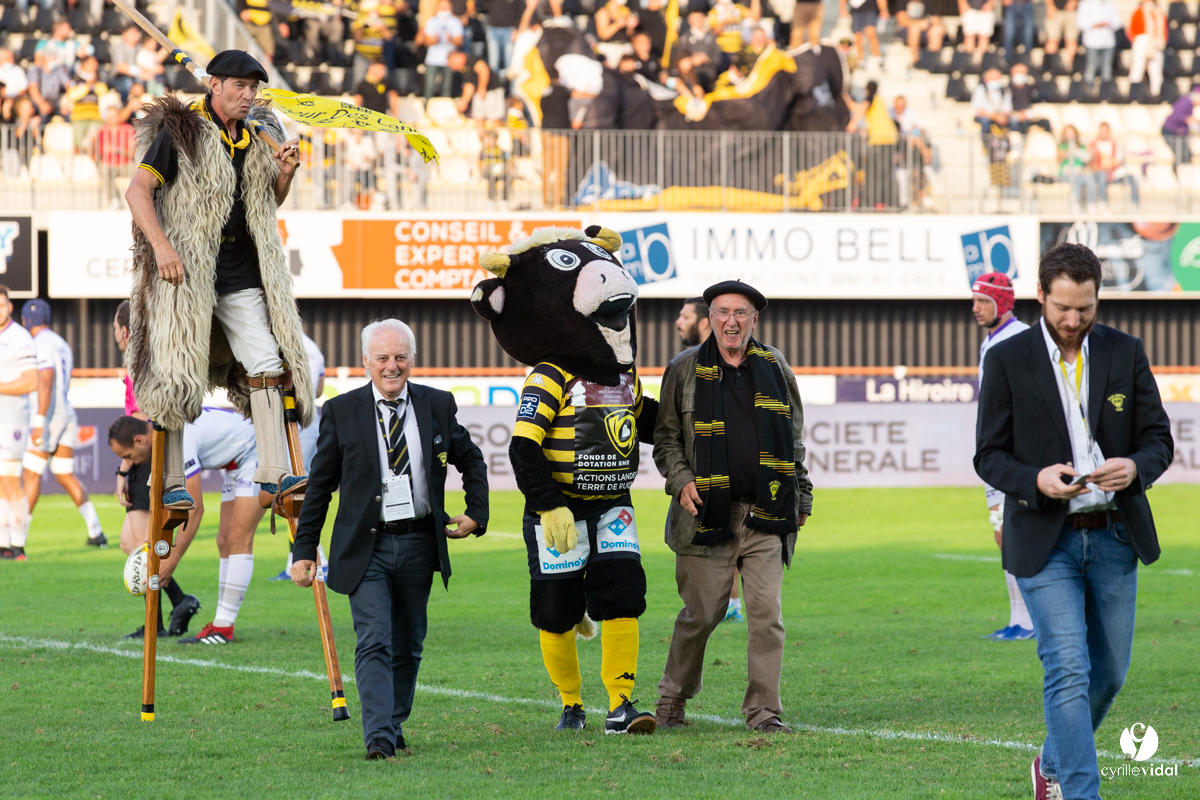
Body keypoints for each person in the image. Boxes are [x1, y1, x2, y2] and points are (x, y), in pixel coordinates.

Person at [975, 243, 1174, 800]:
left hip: (1114, 535)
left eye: (1084, 309)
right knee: (1068, 668)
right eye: (1062, 307)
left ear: (1097, 298)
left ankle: (1051, 762)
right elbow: (988, 455)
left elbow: (1159, 440)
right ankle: (1078, 791)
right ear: (1041, 296)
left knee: (1109, 674)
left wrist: (1133, 466)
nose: (1072, 320)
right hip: (1046, 540)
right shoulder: (1008, 359)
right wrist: (1034, 478)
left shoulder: (1125, 351)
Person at [292, 318, 489, 760]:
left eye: (400, 357)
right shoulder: (341, 412)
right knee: (374, 638)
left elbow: (472, 460)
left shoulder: (438, 404)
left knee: (409, 641)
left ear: (411, 360)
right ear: (366, 361)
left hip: (421, 542)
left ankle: (394, 721)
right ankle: (378, 734)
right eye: (382, 358)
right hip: (367, 546)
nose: (392, 366)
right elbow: (320, 486)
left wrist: (477, 512)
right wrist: (304, 548)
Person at [124, 50, 312, 513]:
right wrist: (163, 247)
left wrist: (283, 176)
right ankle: (170, 482)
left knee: (265, 361)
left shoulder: (255, 135)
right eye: (239, 87)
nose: (248, 96)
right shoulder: (181, 131)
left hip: (241, 266)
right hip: (185, 269)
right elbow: (137, 190)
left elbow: (267, 203)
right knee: (175, 373)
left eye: (253, 89)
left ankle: (274, 470)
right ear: (215, 86)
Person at [654, 280, 813, 733]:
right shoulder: (683, 369)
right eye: (722, 312)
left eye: (741, 312)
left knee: (766, 618)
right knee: (701, 615)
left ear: (754, 320)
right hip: (705, 514)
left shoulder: (776, 366)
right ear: (710, 319)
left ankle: (764, 712)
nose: (731, 321)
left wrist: (801, 492)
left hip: (767, 513)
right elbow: (665, 439)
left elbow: (793, 439)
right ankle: (671, 701)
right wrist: (681, 480)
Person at [970, 274, 1032, 642]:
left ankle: (1029, 621)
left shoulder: (1020, 339)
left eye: (982, 301)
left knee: (1012, 534)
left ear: (1003, 302)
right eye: (974, 300)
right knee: (1002, 534)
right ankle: (1019, 619)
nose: (975, 308)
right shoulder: (992, 341)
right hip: (995, 455)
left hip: (1013, 458)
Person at [170, 408, 265, 646]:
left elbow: (194, 509)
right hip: (239, 460)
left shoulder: (179, 439)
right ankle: (221, 623)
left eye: (128, 456)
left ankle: (223, 627)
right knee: (224, 540)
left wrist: (169, 564)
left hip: (259, 450)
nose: (127, 463)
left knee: (239, 538)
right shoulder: (170, 431)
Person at [18, 300, 106, 549]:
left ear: (26, 320)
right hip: (66, 410)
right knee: (64, 473)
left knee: (31, 475)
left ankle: (17, 539)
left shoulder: (38, 344)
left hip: (46, 414)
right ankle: (95, 530)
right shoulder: (61, 343)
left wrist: (38, 421)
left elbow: (45, 379)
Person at [107, 416, 202, 639]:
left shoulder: (144, 387)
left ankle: (155, 625)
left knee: (144, 547)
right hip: (138, 456)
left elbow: (142, 420)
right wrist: (122, 470)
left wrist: (127, 463)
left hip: (148, 457)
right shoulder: (133, 446)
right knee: (129, 544)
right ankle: (179, 600)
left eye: (125, 457)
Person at [271, 332, 326, 582]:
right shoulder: (312, 346)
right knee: (299, 495)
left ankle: (316, 559)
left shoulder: (278, 341)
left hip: (293, 421)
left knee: (292, 496)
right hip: (311, 420)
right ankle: (298, 559)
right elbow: (318, 389)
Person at [0, 286, 35, 562]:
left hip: (12, 418)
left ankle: (19, 547)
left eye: (2, 305)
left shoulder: (20, 338)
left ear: (10, 306)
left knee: (11, 480)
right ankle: (4, 545)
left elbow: (30, 381)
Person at [418, 0, 465, 99]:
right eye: (442, 7)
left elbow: (460, 41)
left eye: (446, 7)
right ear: (437, 8)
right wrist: (434, 40)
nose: (444, 10)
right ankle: (427, 109)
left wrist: (450, 39)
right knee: (429, 87)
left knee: (446, 87)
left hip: (449, 60)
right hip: (433, 58)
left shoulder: (455, 21)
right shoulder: (432, 21)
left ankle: (445, 111)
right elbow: (426, 42)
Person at [1090, 121, 1139, 210]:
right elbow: (1091, 164)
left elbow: (1120, 161)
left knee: (1131, 178)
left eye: (1106, 131)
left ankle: (1134, 204)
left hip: (1113, 174)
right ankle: (1102, 202)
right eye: (1102, 131)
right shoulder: (1093, 145)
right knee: (1102, 175)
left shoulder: (1114, 144)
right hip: (1099, 175)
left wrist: (1111, 163)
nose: (1104, 134)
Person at [447, 48, 504, 120]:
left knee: (494, 118)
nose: (453, 68)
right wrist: (464, 101)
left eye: (452, 64)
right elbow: (469, 85)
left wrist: (482, 87)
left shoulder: (472, 59)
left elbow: (483, 70)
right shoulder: (463, 69)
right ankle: (480, 131)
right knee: (478, 117)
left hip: (492, 90)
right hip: (478, 92)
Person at [1128, 0, 1166, 97]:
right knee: (1138, 67)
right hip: (1142, 40)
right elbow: (1133, 29)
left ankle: (1156, 94)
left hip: (1156, 41)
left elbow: (1163, 29)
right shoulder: (1139, 11)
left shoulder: (1159, 12)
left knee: (1156, 69)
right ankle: (1135, 94)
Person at [1078, 0, 1121, 85]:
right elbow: (1080, 23)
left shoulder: (1110, 4)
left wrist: (1108, 24)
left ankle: (1105, 92)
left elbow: (1117, 22)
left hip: (1108, 42)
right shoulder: (1085, 4)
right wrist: (1094, 25)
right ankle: (1088, 92)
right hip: (1092, 41)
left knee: (1107, 68)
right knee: (1091, 67)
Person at [971, 68, 1012, 145]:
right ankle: (986, 146)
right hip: (986, 117)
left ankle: (1012, 147)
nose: (995, 80)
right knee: (985, 121)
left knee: (1014, 121)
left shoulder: (1005, 90)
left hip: (1001, 116)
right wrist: (996, 117)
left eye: (997, 78)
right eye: (993, 78)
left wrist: (1003, 116)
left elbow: (1008, 109)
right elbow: (980, 111)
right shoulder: (980, 89)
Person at [842, 0, 888, 68]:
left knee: (871, 32)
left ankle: (878, 58)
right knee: (857, 35)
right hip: (855, 10)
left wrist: (883, 9)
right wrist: (842, 8)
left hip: (870, 8)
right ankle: (860, 60)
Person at [1161, 87, 1199, 167]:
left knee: (1186, 156)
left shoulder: (1190, 103)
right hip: (1171, 131)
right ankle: (1178, 175)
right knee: (1181, 156)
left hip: (1178, 133)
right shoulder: (1186, 102)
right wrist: (1189, 119)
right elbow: (1177, 115)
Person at [1009, 63, 1051, 134]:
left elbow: (1040, 84)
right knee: (1017, 122)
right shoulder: (1008, 88)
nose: (1021, 74)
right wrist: (1019, 113)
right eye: (1019, 72)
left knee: (1045, 122)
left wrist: (1029, 72)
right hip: (1014, 113)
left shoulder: (1028, 87)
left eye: (1023, 72)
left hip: (1027, 112)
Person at [1058, 124, 1092, 211]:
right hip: (1066, 173)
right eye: (1068, 133)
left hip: (1080, 172)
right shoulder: (1062, 146)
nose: (1070, 135)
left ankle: (1091, 204)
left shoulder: (1081, 147)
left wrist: (1078, 151)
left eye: (1071, 133)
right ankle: (1075, 204)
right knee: (1075, 178)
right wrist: (1069, 151)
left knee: (1089, 179)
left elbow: (1087, 159)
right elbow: (1059, 159)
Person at [1043, 0, 1079, 72]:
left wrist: (1074, 2)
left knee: (1071, 40)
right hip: (1055, 11)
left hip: (1071, 11)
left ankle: (1069, 68)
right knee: (1052, 40)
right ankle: (1050, 68)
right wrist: (1050, 6)